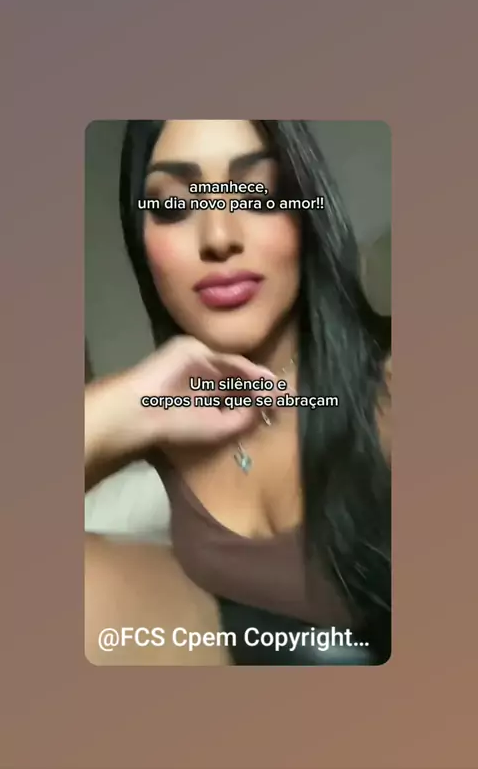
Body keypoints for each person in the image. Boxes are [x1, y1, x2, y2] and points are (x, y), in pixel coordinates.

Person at [85, 119, 391, 665]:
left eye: (258, 194)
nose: (219, 236)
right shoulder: (165, 420)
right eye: (174, 207)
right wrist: (125, 405)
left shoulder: (390, 385)